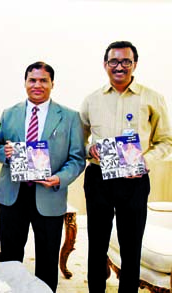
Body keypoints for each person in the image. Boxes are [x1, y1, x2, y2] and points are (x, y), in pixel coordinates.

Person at [80, 41, 172, 292]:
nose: (119, 67)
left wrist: (147, 160)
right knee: (97, 243)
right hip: (99, 178)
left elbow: (165, 141)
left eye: (125, 62)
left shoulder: (153, 98)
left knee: (131, 245)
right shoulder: (91, 100)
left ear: (135, 64)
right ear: (105, 64)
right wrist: (90, 149)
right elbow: (81, 139)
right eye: (114, 61)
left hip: (135, 180)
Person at [0, 61, 85, 292]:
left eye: (43, 80)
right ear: (25, 83)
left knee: (47, 258)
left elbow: (77, 159)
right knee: (10, 258)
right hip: (13, 195)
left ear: (52, 84)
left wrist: (60, 178)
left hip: (49, 195)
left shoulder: (70, 117)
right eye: (32, 80)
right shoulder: (9, 113)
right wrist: (6, 153)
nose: (37, 85)